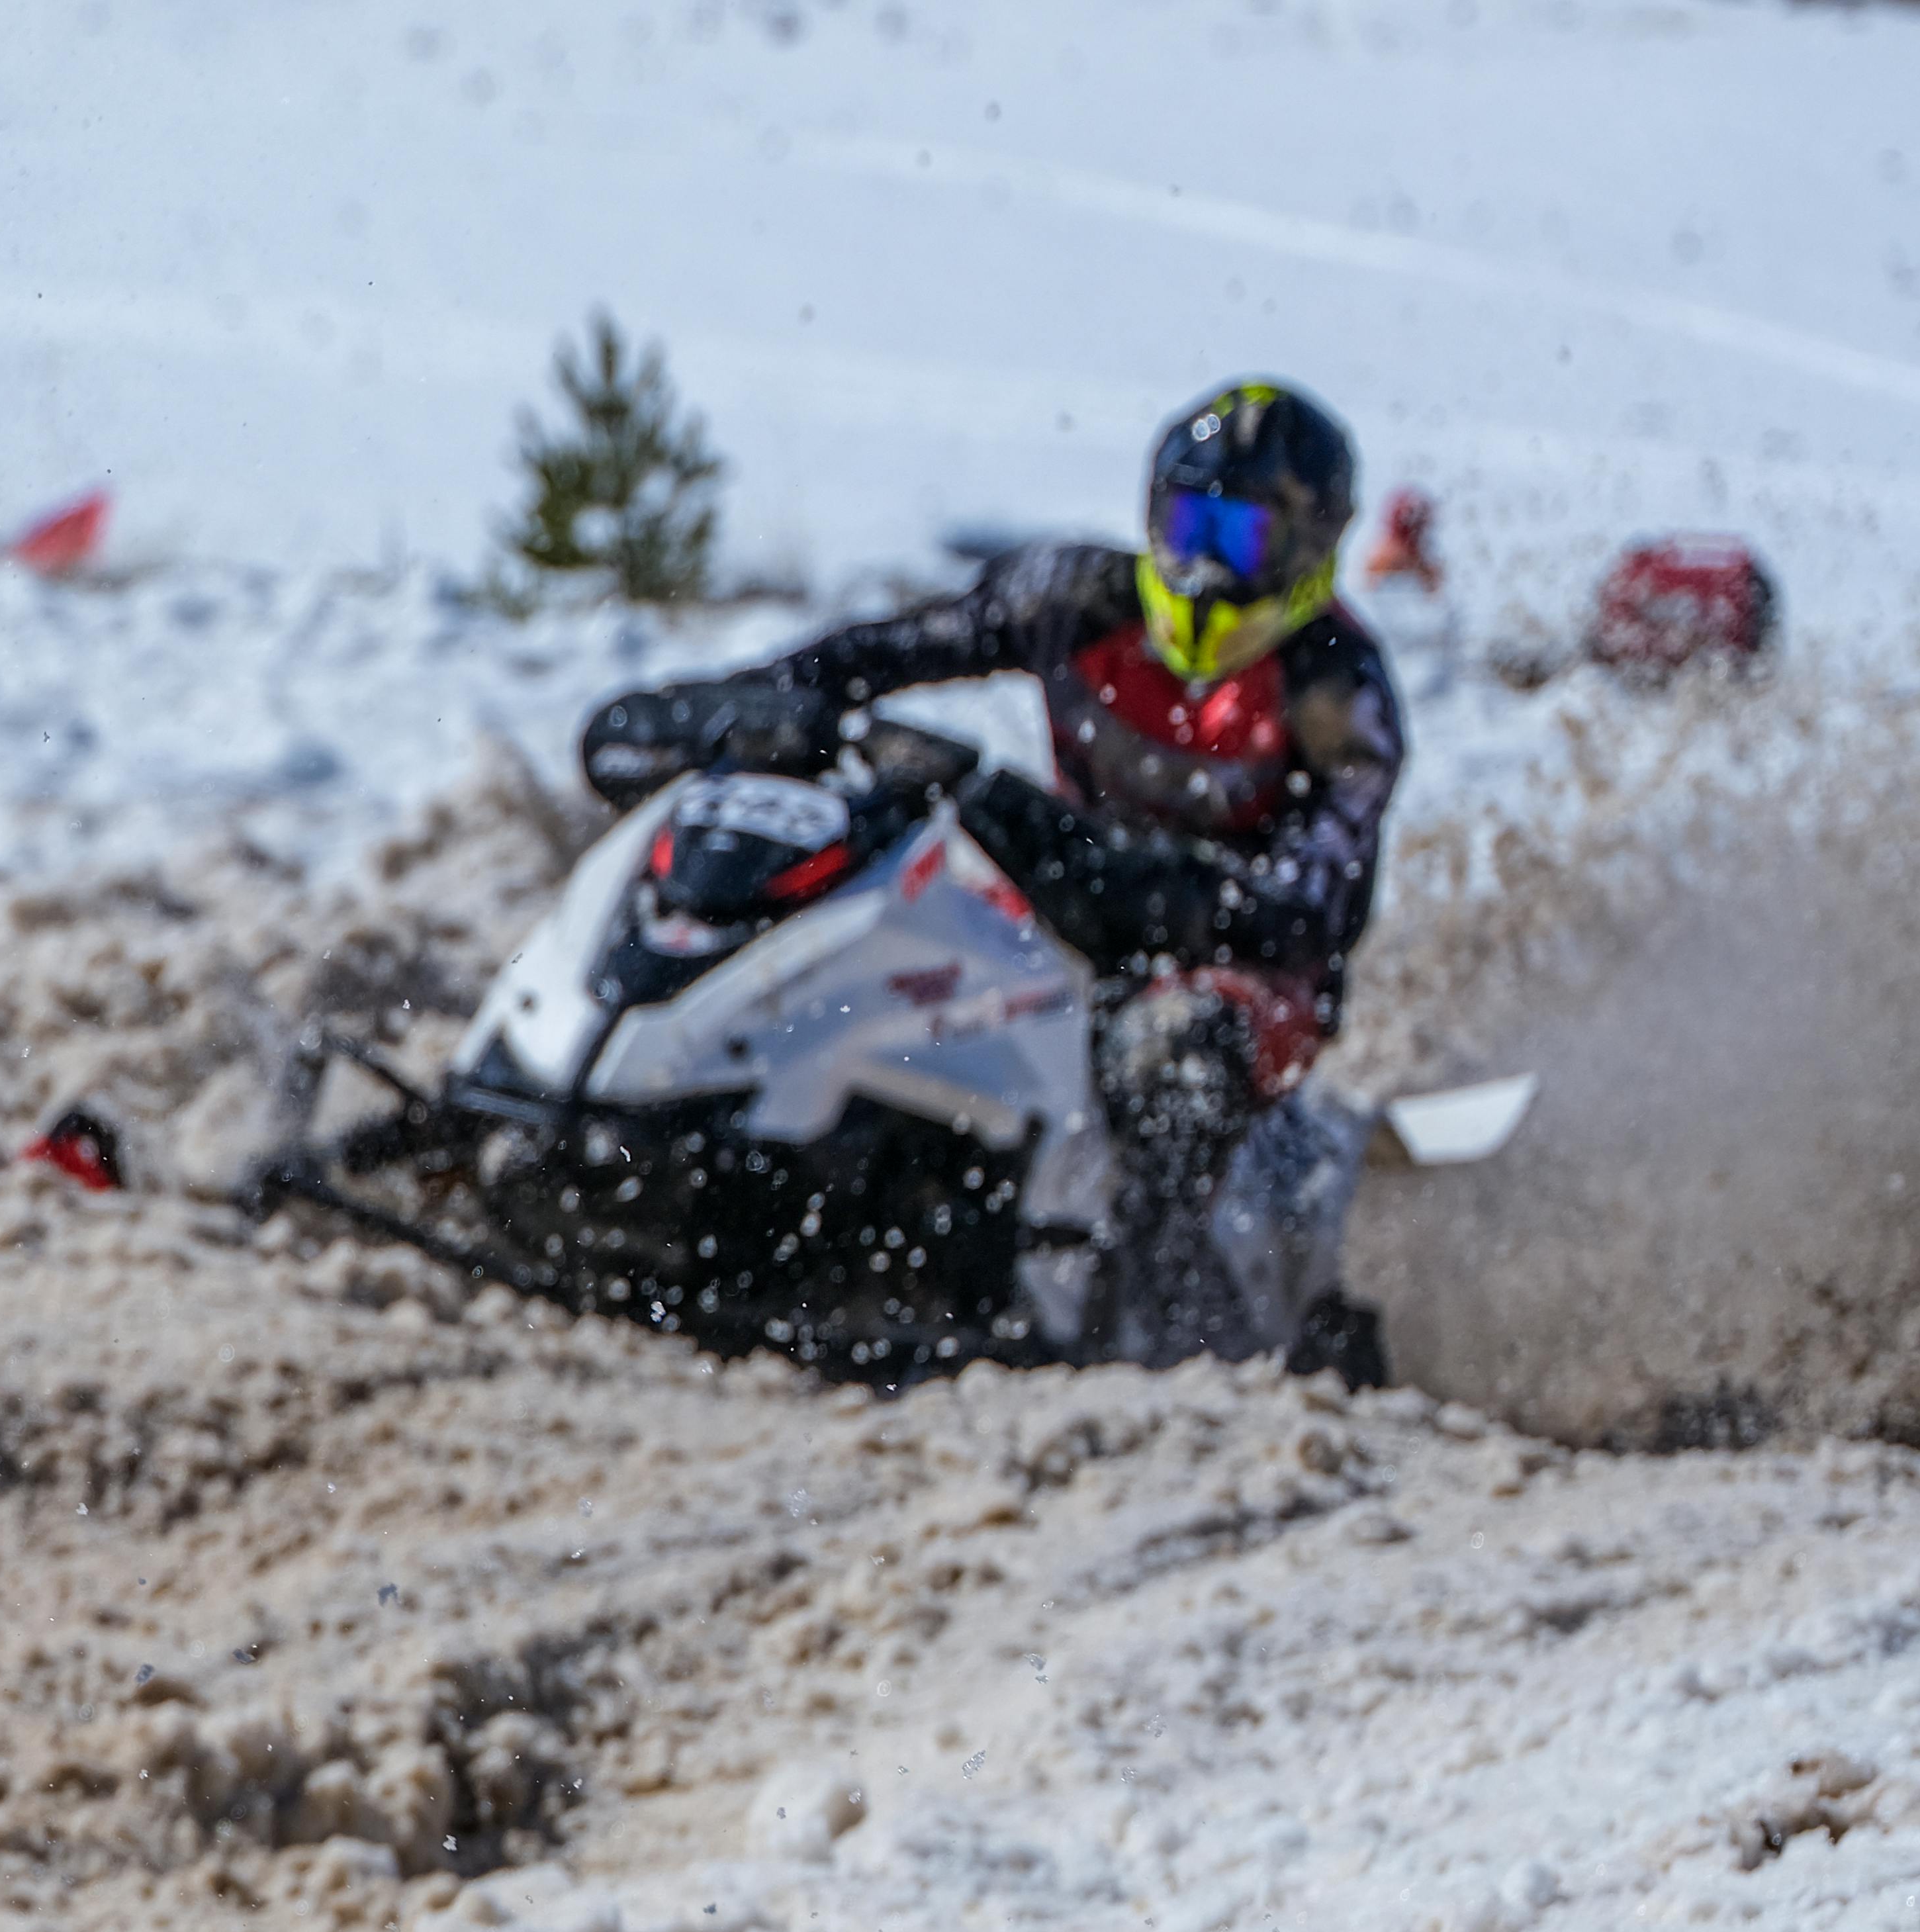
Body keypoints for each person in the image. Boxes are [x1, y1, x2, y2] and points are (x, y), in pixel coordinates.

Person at [578, 380, 1399, 1336]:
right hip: (1066, 914)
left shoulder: (1339, 689)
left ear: (1309, 550)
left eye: (1241, 541)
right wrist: (747, 706)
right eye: (1189, 527)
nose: (1203, 569)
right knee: (875, 927)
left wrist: (1099, 867)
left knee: (1169, 1056)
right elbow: (880, 653)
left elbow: (1313, 908)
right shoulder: (1075, 598)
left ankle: (1166, 1321)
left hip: (1243, 970)